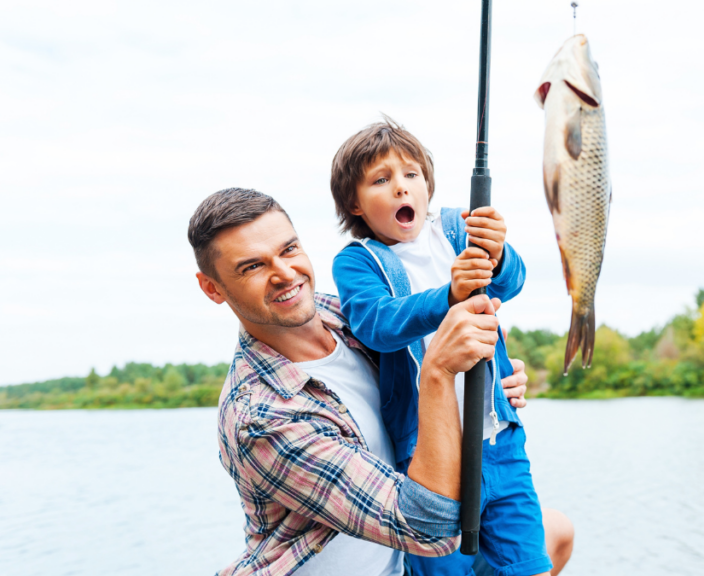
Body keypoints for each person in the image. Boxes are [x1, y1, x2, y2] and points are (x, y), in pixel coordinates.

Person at [188, 188, 572, 576]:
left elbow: (411, 329)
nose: (285, 274)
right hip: (414, 539)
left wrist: (488, 381)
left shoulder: (342, 315)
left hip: (408, 560)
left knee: (556, 531)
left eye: (289, 250)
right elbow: (427, 529)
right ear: (212, 288)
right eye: (252, 267)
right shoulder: (260, 417)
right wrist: (439, 372)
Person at [329, 118, 553, 576]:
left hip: (499, 438)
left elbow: (511, 283)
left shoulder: (455, 227)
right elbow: (377, 323)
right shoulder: (358, 260)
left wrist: (498, 252)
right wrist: (448, 296)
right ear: (354, 202)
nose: (401, 188)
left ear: (427, 185)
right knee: (444, 568)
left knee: (526, 563)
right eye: (381, 179)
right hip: (428, 456)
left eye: (411, 175)